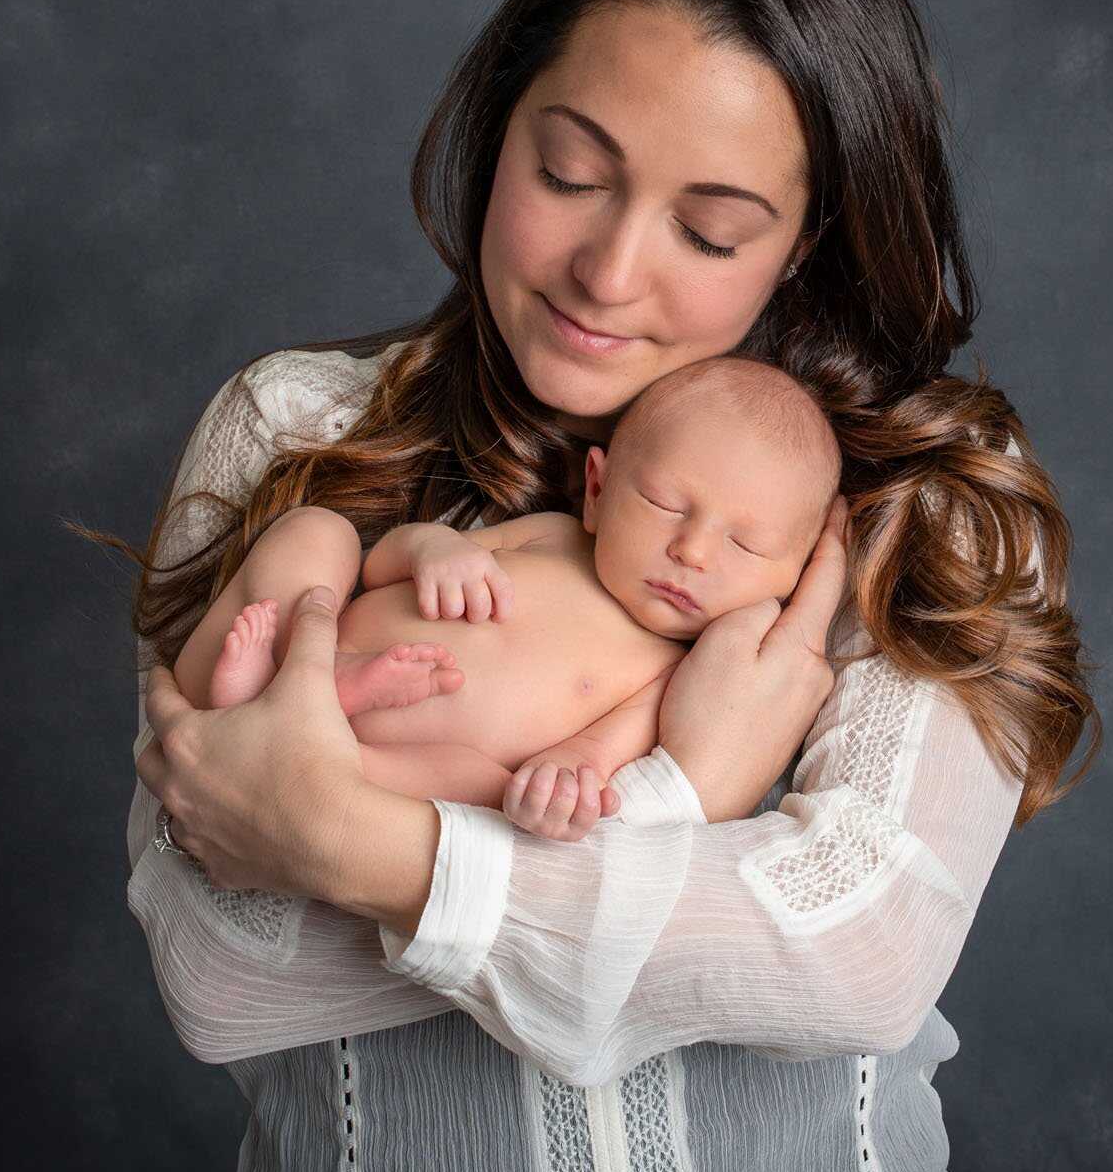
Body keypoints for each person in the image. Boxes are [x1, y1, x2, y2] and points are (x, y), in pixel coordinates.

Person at [92, 0, 1099, 1172]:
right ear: (500, 128)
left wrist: (353, 844)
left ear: (804, 240)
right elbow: (216, 973)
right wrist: (701, 806)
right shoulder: (295, 430)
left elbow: (859, 951)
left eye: (710, 226)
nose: (610, 272)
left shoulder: (905, 490)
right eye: (570, 171)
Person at [170, 355, 845, 842]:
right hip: (311, 639)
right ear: (598, 489)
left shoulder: (676, 674)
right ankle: (286, 686)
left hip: (387, 767)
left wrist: (568, 772)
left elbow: (596, 753)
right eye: (665, 503)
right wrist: (437, 549)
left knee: (484, 792)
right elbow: (380, 568)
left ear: (794, 575)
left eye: (747, 546)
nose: (693, 551)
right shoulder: (551, 537)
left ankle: (300, 733)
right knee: (319, 532)